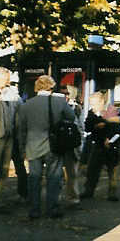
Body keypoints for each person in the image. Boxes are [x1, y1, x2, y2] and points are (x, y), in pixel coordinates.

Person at [18, 75, 76, 219]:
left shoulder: (26, 105)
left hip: (32, 147)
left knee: (34, 178)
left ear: (37, 87)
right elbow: (71, 117)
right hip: (54, 146)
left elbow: (21, 129)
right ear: (51, 87)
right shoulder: (59, 101)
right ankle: (52, 208)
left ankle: (34, 209)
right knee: (54, 178)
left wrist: (22, 149)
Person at [81, 91, 120, 202]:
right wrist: (96, 126)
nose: (93, 106)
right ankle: (89, 190)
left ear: (102, 101)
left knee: (112, 171)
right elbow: (87, 127)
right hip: (97, 145)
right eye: (91, 103)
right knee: (92, 169)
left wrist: (110, 140)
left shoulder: (111, 111)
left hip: (111, 146)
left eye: (95, 103)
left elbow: (117, 131)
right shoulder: (91, 112)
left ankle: (112, 192)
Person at [0, 66, 20, 208]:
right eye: (7, 77)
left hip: (8, 136)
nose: (9, 80)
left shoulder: (9, 92)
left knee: (3, 170)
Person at [61, 85, 84, 205]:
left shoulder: (76, 108)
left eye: (67, 93)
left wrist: (80, 146)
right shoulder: (54, 107)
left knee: (72, 173)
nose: (65, 96)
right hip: (57, 144)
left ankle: (73, 197)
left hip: (71, 145)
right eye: (63, 93)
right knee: (56, 174)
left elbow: (80, 127)